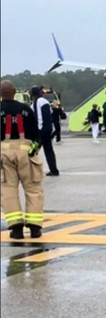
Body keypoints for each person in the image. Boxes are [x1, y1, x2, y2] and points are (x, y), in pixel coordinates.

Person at [1, 80, 45, 239]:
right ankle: (35, 228)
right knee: (33, 188)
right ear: (14, 92)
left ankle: (16, 228)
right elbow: (36, 135)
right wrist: (33, 150)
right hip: (26, 152)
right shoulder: (26, 109)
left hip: (4, 153)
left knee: (8, 190)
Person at [30, 86, 60, 176]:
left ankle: (31, 170)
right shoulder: (44, 102)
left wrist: (39, 131)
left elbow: (40, 117)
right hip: (47, 129)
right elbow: (50, 113)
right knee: (48, 150)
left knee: (32, 151)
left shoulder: (38, 102)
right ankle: (54, 170)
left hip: (41, 130)